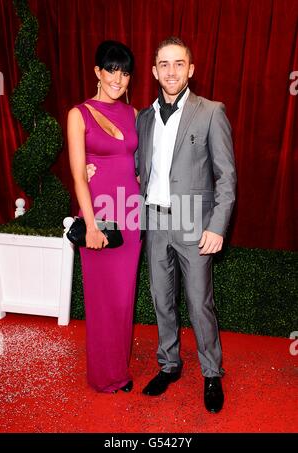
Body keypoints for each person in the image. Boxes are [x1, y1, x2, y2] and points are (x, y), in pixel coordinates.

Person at [136, 37, 237, 413]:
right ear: (154, 71)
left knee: (199, 303)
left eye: (179, 64)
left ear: (191, 69)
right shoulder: (144, 118)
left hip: (195, 223)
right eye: (164, 64)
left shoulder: (211, 111)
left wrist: (218, 226)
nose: (172, 71)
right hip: (155, 221)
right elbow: (138, 170)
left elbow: (226, 176)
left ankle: (212, 373)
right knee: (162, 300)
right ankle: (169, 364)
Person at [67, 40, 141, 393]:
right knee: (102, 298)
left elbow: (141, 163)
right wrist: (92, 225)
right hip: (99, 215)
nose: (118, 78)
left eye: (125, 72)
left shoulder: (134, 114)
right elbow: (79, 174)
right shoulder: (77, 114)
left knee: (124, 297)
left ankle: (119, 367)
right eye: (112, 69)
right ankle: (105, 375)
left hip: (131, 216)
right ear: (97, 72)